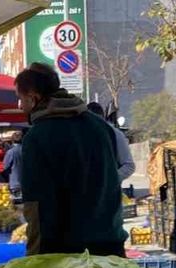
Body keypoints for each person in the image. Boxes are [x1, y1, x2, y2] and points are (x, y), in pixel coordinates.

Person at [15, 63, 125, 256]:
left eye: (20, 98)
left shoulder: (37, 137)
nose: (19, 105)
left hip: (65, 255)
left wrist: (35, 256)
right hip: (110, 245)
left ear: (33, 98)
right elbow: (113, 180)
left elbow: (37, 206)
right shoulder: (100, 126)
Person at [87, 102, 136, 182]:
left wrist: (109, 179)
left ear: (102, 118)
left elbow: (129, 166)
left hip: (110, 191)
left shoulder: (115, 135)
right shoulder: (81, 135)